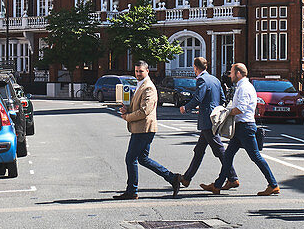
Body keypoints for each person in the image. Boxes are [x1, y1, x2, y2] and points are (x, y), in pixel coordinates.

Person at [200, 62, 280, 196]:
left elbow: (241, 109)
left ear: (238, 73)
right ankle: (218, 185)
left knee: (255, 156)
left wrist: (226, 113)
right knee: (228, 156)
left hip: (245, 127)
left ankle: (273, 184)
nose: (230, 75)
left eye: (231, 72)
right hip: (241, 127)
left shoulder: (244, 88)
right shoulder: (243, 86)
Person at [115, 60, 181, 200]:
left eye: (141, 71)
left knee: (130, 158)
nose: (138, 74)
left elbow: (144, 111)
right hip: (141, 128)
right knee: (143, 159)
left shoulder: (149, 87)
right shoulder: (140, 85)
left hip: (144, 128)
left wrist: (127, 116)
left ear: (147, 71)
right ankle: (172, 178)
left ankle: (132, 191)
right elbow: (138, 107)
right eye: (136, 71)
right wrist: (127, 109)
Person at [175, 57, 238, 190]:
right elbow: (222, 99)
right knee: (199, 150)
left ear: (195, 68)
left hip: (208, 120)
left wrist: (185, 108)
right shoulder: (215, 79)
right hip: (213, 117)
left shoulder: (202, 80)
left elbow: (198, 97)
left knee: (219, 150)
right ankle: (186, 178)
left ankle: (233, 178)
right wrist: (214, 109)